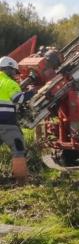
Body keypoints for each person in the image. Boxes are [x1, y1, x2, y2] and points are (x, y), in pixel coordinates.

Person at [0, 56, 33, 184]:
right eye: (14, 71)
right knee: (18, 148)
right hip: (7, 125)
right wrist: (31, 92)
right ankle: (21, 181)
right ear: (8, 69)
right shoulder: (10, 83)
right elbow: (18, 99)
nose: (15, 74)